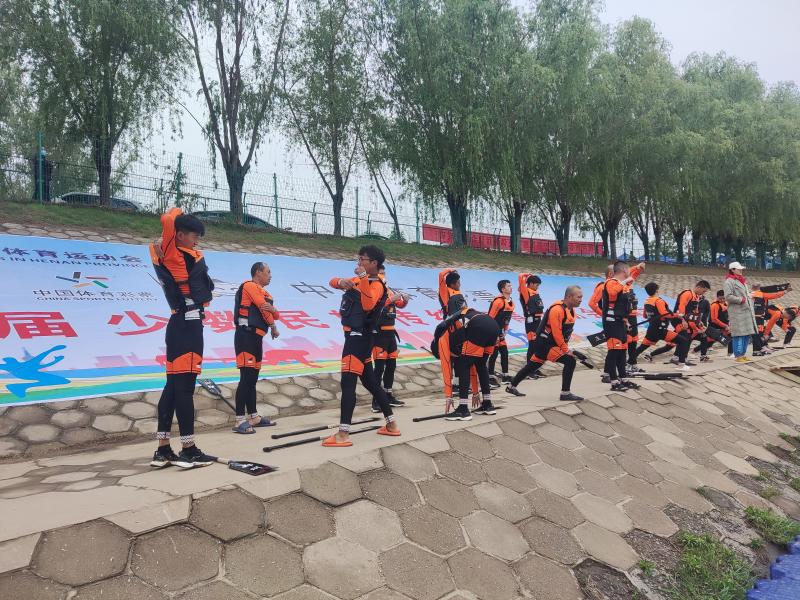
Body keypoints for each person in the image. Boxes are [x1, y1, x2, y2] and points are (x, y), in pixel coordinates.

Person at [149, 208, 216, 469]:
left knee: (172, 388)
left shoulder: (168, 252)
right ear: (179, 235)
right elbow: (168, 218)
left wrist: (181, 216)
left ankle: (163, 449)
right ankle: (189, 450)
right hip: (187, 327)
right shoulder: (173, 252)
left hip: (180, 324)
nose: (196, 242)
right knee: (185, 389)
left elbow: (170, 221)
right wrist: (180, 214)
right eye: (194, 236)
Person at [326, 245, 399, 447]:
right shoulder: (361, 280)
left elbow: (368, 304)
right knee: (371, 383)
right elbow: (332, 282)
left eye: (362, 259)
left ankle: (343, 434)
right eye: (358, 258)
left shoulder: (376, 284)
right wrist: (341, 282)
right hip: (358, 338)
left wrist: (363, 277)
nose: (359, 262)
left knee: (348, 384)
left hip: (358, 339)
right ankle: (391, 424)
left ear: (373, 263)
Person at [505, 285, 584, 401]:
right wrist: (566, 350)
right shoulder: (557, 310)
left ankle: (511, 386)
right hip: (546, 344)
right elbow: (556, 333)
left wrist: (566, 347)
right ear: (569, 296)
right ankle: (565, 393)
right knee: (570, 361)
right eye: (579, 297)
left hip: (549, 344)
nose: (581, 300)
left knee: (532, 366)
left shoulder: (571, 310)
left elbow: (565, 333)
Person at [231, 262, 280, 434]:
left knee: (252, 379)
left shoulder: (266, 293)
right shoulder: (250, 286)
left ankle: (253, 417)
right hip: (246, 336)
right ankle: (239, 420)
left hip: (257, 338)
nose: (270, 275)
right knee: (246, 378)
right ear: (258, 272)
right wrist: (273, 325)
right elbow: (262, 307)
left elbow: (276, 313)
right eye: (268, 272)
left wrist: (273, 312)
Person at [433, 308, 499, 421]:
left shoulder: (442, 340)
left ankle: (463, 409)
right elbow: (473, 366)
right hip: (493, 325)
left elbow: (446, 368)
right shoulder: (459, 328)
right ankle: (487, 404)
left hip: (479, 326)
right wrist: (475, 392)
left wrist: (449, 396)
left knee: (463, 365)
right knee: (481, 365)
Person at [372, 265, 408, 411]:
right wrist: (390, 299)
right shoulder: (373, 289)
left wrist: (405, 300)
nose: (383, 276)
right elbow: (373, 305)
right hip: (378, 334)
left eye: (384, 273)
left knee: (391, 366)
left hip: (391, 334)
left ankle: (388, 395)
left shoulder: (389, 290)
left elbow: (400, 304)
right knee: (379, 368)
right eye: (380, 274)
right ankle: (376, 400)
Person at [600, 261, 640, 391]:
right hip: (611, 323)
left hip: (621, 322)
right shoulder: (610, 282)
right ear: (623, 270)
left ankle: (623, 379)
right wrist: (625, 281)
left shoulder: (622, 285)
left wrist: (626, 321)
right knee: (614, 352)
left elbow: (622, 305)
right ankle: (614, 382)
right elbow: (612, 293)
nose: (629, 272)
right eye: (628, 270)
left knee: (623, 352)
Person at [635, 282, 692, 369]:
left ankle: (628, 362)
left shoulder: (647, 301)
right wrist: (677, 315)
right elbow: (664, 314)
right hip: (660, 330)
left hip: (651, 330)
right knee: (683, 341)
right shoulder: (659, 301)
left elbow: (645, 316)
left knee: (641, 348)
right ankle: (682, 364)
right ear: (657, 290)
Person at [724, 261, 757, 363]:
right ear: (732, 270)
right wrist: (741, 300)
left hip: (746, 312)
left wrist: (749, 297)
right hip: (737, 312)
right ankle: (738, 355)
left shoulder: (742, 281)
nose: (741, 270)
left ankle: (742, 354)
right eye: (738, 269)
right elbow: (728, 296)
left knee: (746, 334)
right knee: (739, 334)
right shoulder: (729, 282)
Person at [672, 281, 710, 365]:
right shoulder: (687, 294)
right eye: (704, 291)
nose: (704, 293)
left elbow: (695, 312)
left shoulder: (696, 297)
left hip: (686, 320)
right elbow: (681, 307)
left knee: (686, 338)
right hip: (678, 319)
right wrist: (683, 320)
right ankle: (681, 360)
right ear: (699, 287)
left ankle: (678, 357)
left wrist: (699, 322)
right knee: (686, 338)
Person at [750, 283, 791, 355]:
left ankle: (761, 347)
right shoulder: (761, 294)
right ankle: (758, 350)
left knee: (759, 333)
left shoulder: (750, 294)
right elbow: (774, 295)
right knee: (759, 333)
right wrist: (785, 291)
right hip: (759, 317)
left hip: (754, 316)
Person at [487, 280, 514, 383]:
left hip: (501, 332)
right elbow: (490, 318)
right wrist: (494, 333)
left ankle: (505, 376)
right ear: (503, 289)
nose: (511, 287)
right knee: (493, 353)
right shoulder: (498, 301)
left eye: (511, 285)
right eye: (508, 286)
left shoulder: (511, 302)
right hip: (493, 331)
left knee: (504, 352)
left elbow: (507, 319)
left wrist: (505, 330)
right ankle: (490, 376)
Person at [624, 262, 646, 372]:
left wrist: (639, 268)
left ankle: (632, 363)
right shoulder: (619, 284)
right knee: (626, 341)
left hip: (633, 317)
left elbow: (633, 274)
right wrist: (636, 267)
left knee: (634, 340)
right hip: (625, 317)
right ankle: (623, 365)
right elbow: (631, 272)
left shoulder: (629, 284)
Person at [518, 273, 544, 361]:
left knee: (537, 344)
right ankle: (529, 366)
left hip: (538, 321)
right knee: (532, 345)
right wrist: (528, 274)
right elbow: (520, 277)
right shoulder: (526, 292)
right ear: (531, 283)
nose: (538, 287)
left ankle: (533, 364)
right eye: (537, 285)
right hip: (531, 322)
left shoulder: (535, 293)